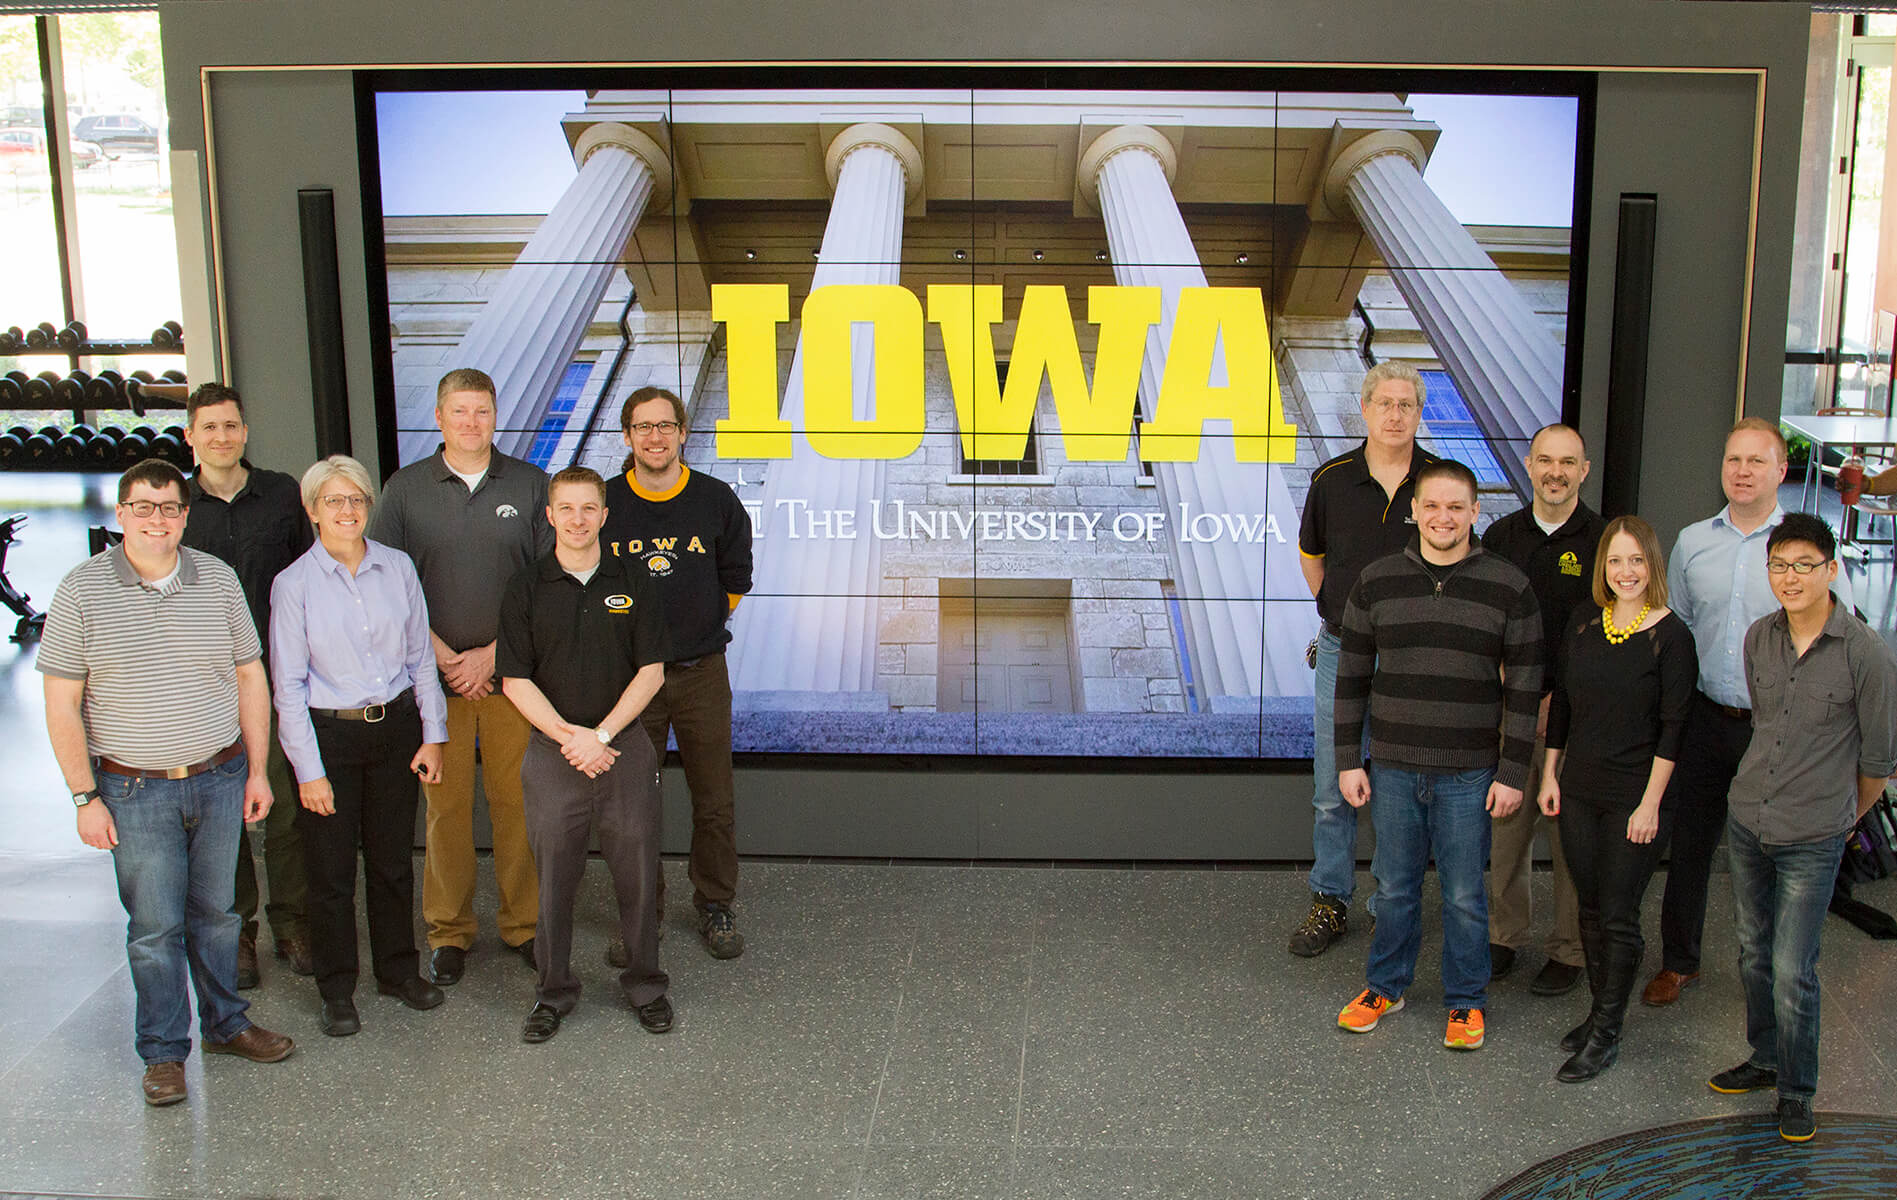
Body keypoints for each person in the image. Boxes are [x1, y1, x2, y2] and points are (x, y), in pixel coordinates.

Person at [37, 459, 295, 1106]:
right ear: (121, 514)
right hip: (132, 791)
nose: (158, 519)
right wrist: (83, 796)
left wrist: (257, 769)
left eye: (170, 507)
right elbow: (61, 703)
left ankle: (226, 1025)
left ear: (186, 515)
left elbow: (249, 679)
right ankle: (162, 1053)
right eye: (144, 507)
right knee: (154, 931)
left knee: (217, 915)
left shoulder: (218, 580)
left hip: (218, 776)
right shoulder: (81, 591)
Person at [1642, 418, 1853, 1007]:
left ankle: (1776, 971)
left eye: (1756, 462)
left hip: (1781, 728)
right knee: (1690, 844)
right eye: (1733, 460)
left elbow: (1844, 634)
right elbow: (1675, 631)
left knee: (1777, 850)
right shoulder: (1692, 542)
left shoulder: (1804, 547)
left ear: (1780, 471)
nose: (1742, 471)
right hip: (1707, 718)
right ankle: (1680, 963)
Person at [1332, 460, 1541, 1051]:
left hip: (1471, 772)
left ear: (1476, 513)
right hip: (1394, 768)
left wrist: (1512, 770)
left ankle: (1467, 1000)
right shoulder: (1376, 580)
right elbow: (1350, 678)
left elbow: (1526, 685)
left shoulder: (1509, 586)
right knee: (1394, 887)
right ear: (1414, 511)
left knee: (1464, 893)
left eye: (1456, 507)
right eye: (1432, 506)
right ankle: (1385, 986)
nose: (1443, 517)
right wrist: (1351, 758)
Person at [1707, 513, 1896, 1143]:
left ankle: (1797, 1088)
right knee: (1753, 952)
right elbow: (1767, 726)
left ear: (1832, 569)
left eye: (1804, 565)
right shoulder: (1761, 636)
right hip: (1749, 819)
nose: (1790, 577)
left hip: (1815, 835)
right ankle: (1765, 1058)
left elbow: (1877, 763)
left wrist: (1845, 818)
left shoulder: (1866, 653)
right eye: (1779, 566)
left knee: (1794, 966)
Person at [370, 367, 551, 984]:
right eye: (460, 411)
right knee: (445, 812)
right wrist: (444, 655)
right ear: (440, 417)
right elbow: (385, 584)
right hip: (431, 684)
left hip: (513, 681)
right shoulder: (404, 489)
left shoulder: (530, 485)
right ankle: (449, 933)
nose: (471, 422)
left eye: (482, 411)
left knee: (516, 806)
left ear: (494, 417)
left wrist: (493, 656)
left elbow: (548, 585)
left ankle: (524, 925)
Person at [271, 456, 450, 1037]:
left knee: (394, 863)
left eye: (356, 500)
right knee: (330, 875)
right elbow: (288, 687)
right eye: (333, 501)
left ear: (369, 506)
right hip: (331, 738)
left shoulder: (397, 568)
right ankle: (337, 989)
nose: (347, 511)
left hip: (395, 730)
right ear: (313, 510)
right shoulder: (293, 584)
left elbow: (421, 658)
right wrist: (308, 771)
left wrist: (434, 734)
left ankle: (398, 972)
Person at [500, 467, 675, 1041]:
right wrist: (570, 737)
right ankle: (552, 993)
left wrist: (600, 735)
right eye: (566, 509)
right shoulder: (526, 587)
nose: (577, 519)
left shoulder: (637, 581)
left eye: (588, 509)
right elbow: (514, 680)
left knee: (639, 875)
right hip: (554, 755)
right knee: (553, 878)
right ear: (549, 516)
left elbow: (651, 672)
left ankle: (647, 984)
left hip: (625, 749)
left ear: (604, 515)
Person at [1537, 516, 1697, 1082]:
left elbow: (1675, 728)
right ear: (1602, 566)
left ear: (1652, 565)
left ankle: (1607, 1033)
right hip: (1578, 787)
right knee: (1588, 906)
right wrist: (1550, 775)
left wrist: (1651, 804)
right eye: (1614, 561)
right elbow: (1563, 708)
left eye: (1636, 561)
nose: (1625, 572)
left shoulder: (1672, 636)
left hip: (1636, 795)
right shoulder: (1584, 622)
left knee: (1618, 914)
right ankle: (1598, 1013)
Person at [1291, 362, 1440, 957]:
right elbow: (1312, 558)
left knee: (1402, 787)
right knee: (1332, 784)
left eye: (1406, 405)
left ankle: (1390, 904)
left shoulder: (1440, 479)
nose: (1395, 414)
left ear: (1418, 413)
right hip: (1343, 650)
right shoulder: (1331, 479)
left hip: (1416, 658)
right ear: (1365, 408)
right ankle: (1331, 899)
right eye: (1385, 403)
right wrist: (1339, 612)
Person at [601, 386, 754, 962]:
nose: (655, 436)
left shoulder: (715, 499)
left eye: (666, 426)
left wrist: (699, 624)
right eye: (643, 427)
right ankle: (643, 912)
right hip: (631, 683)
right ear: (628, 437)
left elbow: (737, 574)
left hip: (700, 674)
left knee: (713, 799)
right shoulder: (608, 502)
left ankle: (715, 905)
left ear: (683, 433)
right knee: (632, 805)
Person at [181, 382, 314, 988]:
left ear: (244, 432)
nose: (221, 437)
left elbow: (310, 577)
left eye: (230, 425)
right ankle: (239, 933)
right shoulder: (177, 506)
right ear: (191, 435)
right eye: (209, 427)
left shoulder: (282, 494)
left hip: (279, 675)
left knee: (286, 809)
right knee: (224, 817)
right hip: (206, 683)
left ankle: (292, 926)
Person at [1479, 424, 1602, 997]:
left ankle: (1569, 948)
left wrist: (1569, 695)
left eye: (1567, 462)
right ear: (1529, 466)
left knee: (1569, 836)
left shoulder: (1604, 540)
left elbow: (1611, 631)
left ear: (1584, 470)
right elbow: (1484, 619)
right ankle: (1504, 937)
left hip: (1576, 713)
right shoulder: (1501, 536)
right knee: (1508, 830)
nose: (1556, 471)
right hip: (1511, 708)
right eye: (1545, 460)